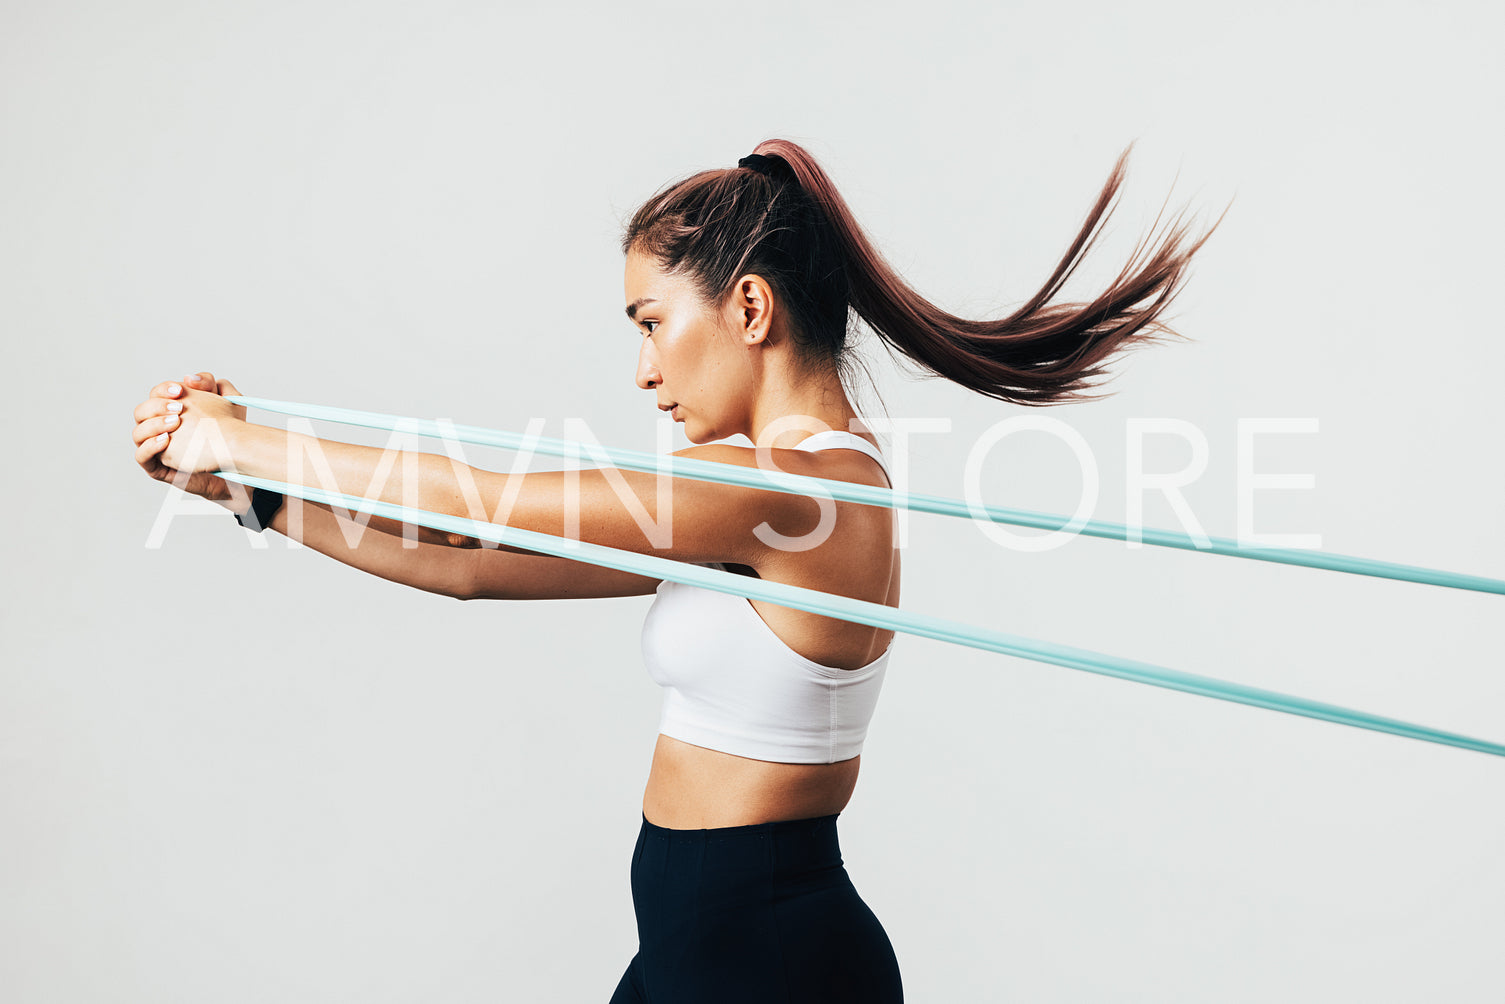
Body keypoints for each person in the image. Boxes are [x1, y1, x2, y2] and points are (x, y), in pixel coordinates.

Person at [132, 139, 1215, 1002]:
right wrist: (254, 496)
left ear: (747, 308)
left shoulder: (797, 488)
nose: (643, 369)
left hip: (768, 957)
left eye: (651, 321)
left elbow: (471, 501)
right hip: (700, 945)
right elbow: (469, 564)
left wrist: (240, 434)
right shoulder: (739, 497)